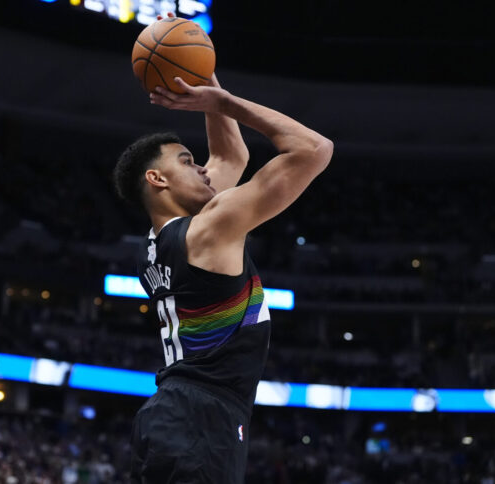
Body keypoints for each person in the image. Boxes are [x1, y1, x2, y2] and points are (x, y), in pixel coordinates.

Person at [114, 16, 333, 483]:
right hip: (200, 419)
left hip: (177, 414)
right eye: (188, 161)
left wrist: (203, 77)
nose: (203, 169)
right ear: (157, 179)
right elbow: (314, 150)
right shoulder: (207, 230)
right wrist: (226, 102)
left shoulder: (156, 246)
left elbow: (231, 157)